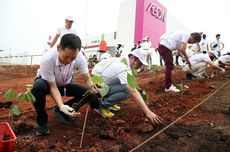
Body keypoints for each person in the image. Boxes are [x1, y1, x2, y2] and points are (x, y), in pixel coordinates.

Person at [31, 34, 99, 136]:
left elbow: (87, 79)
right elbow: (53, 87)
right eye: (66, 57)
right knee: (38, 88)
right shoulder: (48, 59)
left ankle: (61, 111)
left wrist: (93, 87)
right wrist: (61, 104)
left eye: (73, 58)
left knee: (88, 93)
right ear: (59, 48)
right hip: (47, 83)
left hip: (65, 83)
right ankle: (42, 121)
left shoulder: (80, 58)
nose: (68, 61)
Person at [91, 49, 162, 124]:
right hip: (98, 90)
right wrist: (148, 112)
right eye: (139, 63)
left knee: (125, 85)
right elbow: (133, 90)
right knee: (127, 91)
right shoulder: (122, 67)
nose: (140, 66)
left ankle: (109, 103)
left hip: (104, 86)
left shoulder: (124, 62)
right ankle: (101, 106)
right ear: (132, 58)